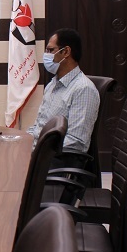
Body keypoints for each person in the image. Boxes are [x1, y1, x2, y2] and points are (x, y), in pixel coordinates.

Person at [28, 28, 99, 166]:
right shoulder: (52, 84)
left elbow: (76, 142)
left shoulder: (83, 89)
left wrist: (39, 152)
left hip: (54, 162)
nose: (46, 55)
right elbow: (39, 126)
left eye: (50, 50)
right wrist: (21, 140)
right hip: (39, 154)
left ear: (66, 52)